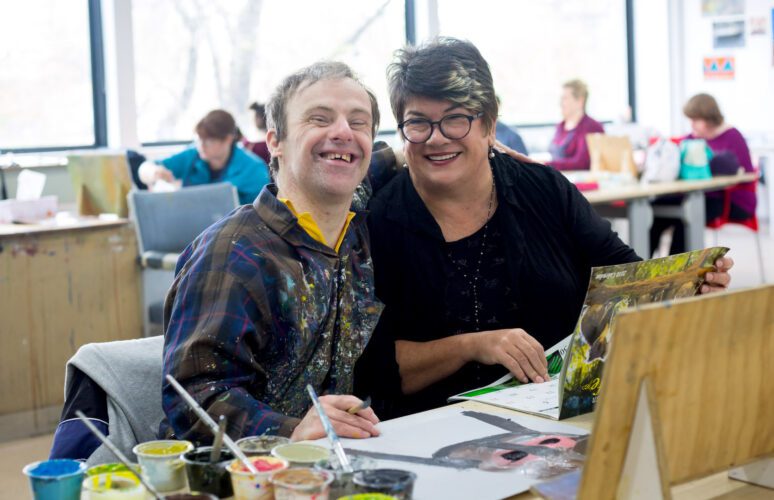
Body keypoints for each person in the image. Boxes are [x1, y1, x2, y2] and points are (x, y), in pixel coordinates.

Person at [354, 38, 734, 420]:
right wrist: (471, 345)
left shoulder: (543, 190)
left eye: (456, 118)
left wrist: (684, 286)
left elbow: (624, 280)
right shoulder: (381, 221)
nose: (436, 138)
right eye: (418, 122)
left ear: (489, 123)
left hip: (560, 421)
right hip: (431, 430)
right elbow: (374, 369)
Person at [160, 62, 382, 443]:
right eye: (319, 118)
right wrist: (291, 430)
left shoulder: (354, 227)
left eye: (359, 122)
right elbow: (193, 398)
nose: (344, 132)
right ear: (275, 142)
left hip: (335, 462)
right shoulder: (234, 253)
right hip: (239, 476)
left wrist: (480, 150)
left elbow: (382, 163)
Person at [650, 93, 757, 255]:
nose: (692, 125)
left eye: (695, 120)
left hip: (733, 199)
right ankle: (641, 267)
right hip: (701, 195)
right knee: (657, 210)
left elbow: (739, 173)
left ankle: (678, 276)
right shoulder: (694, 138)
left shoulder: (732, 137)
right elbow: (673, 148)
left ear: (709, 118)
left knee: (686, 218)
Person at [139, 109, 270, 205]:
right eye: (198, 139)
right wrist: (154, 172)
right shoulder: (193, 155)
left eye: (208, 141)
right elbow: (144, 167)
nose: (201, 145)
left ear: (228, 140)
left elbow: (261, 214)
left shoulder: (254, 169)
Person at [547, 79, 604, 170]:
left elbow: (580, 163)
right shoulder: (560, 127)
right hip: (558, 177)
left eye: (565, 98)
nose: (560, 103)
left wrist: (546, 165)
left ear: (580, 101)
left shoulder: (592, 127)